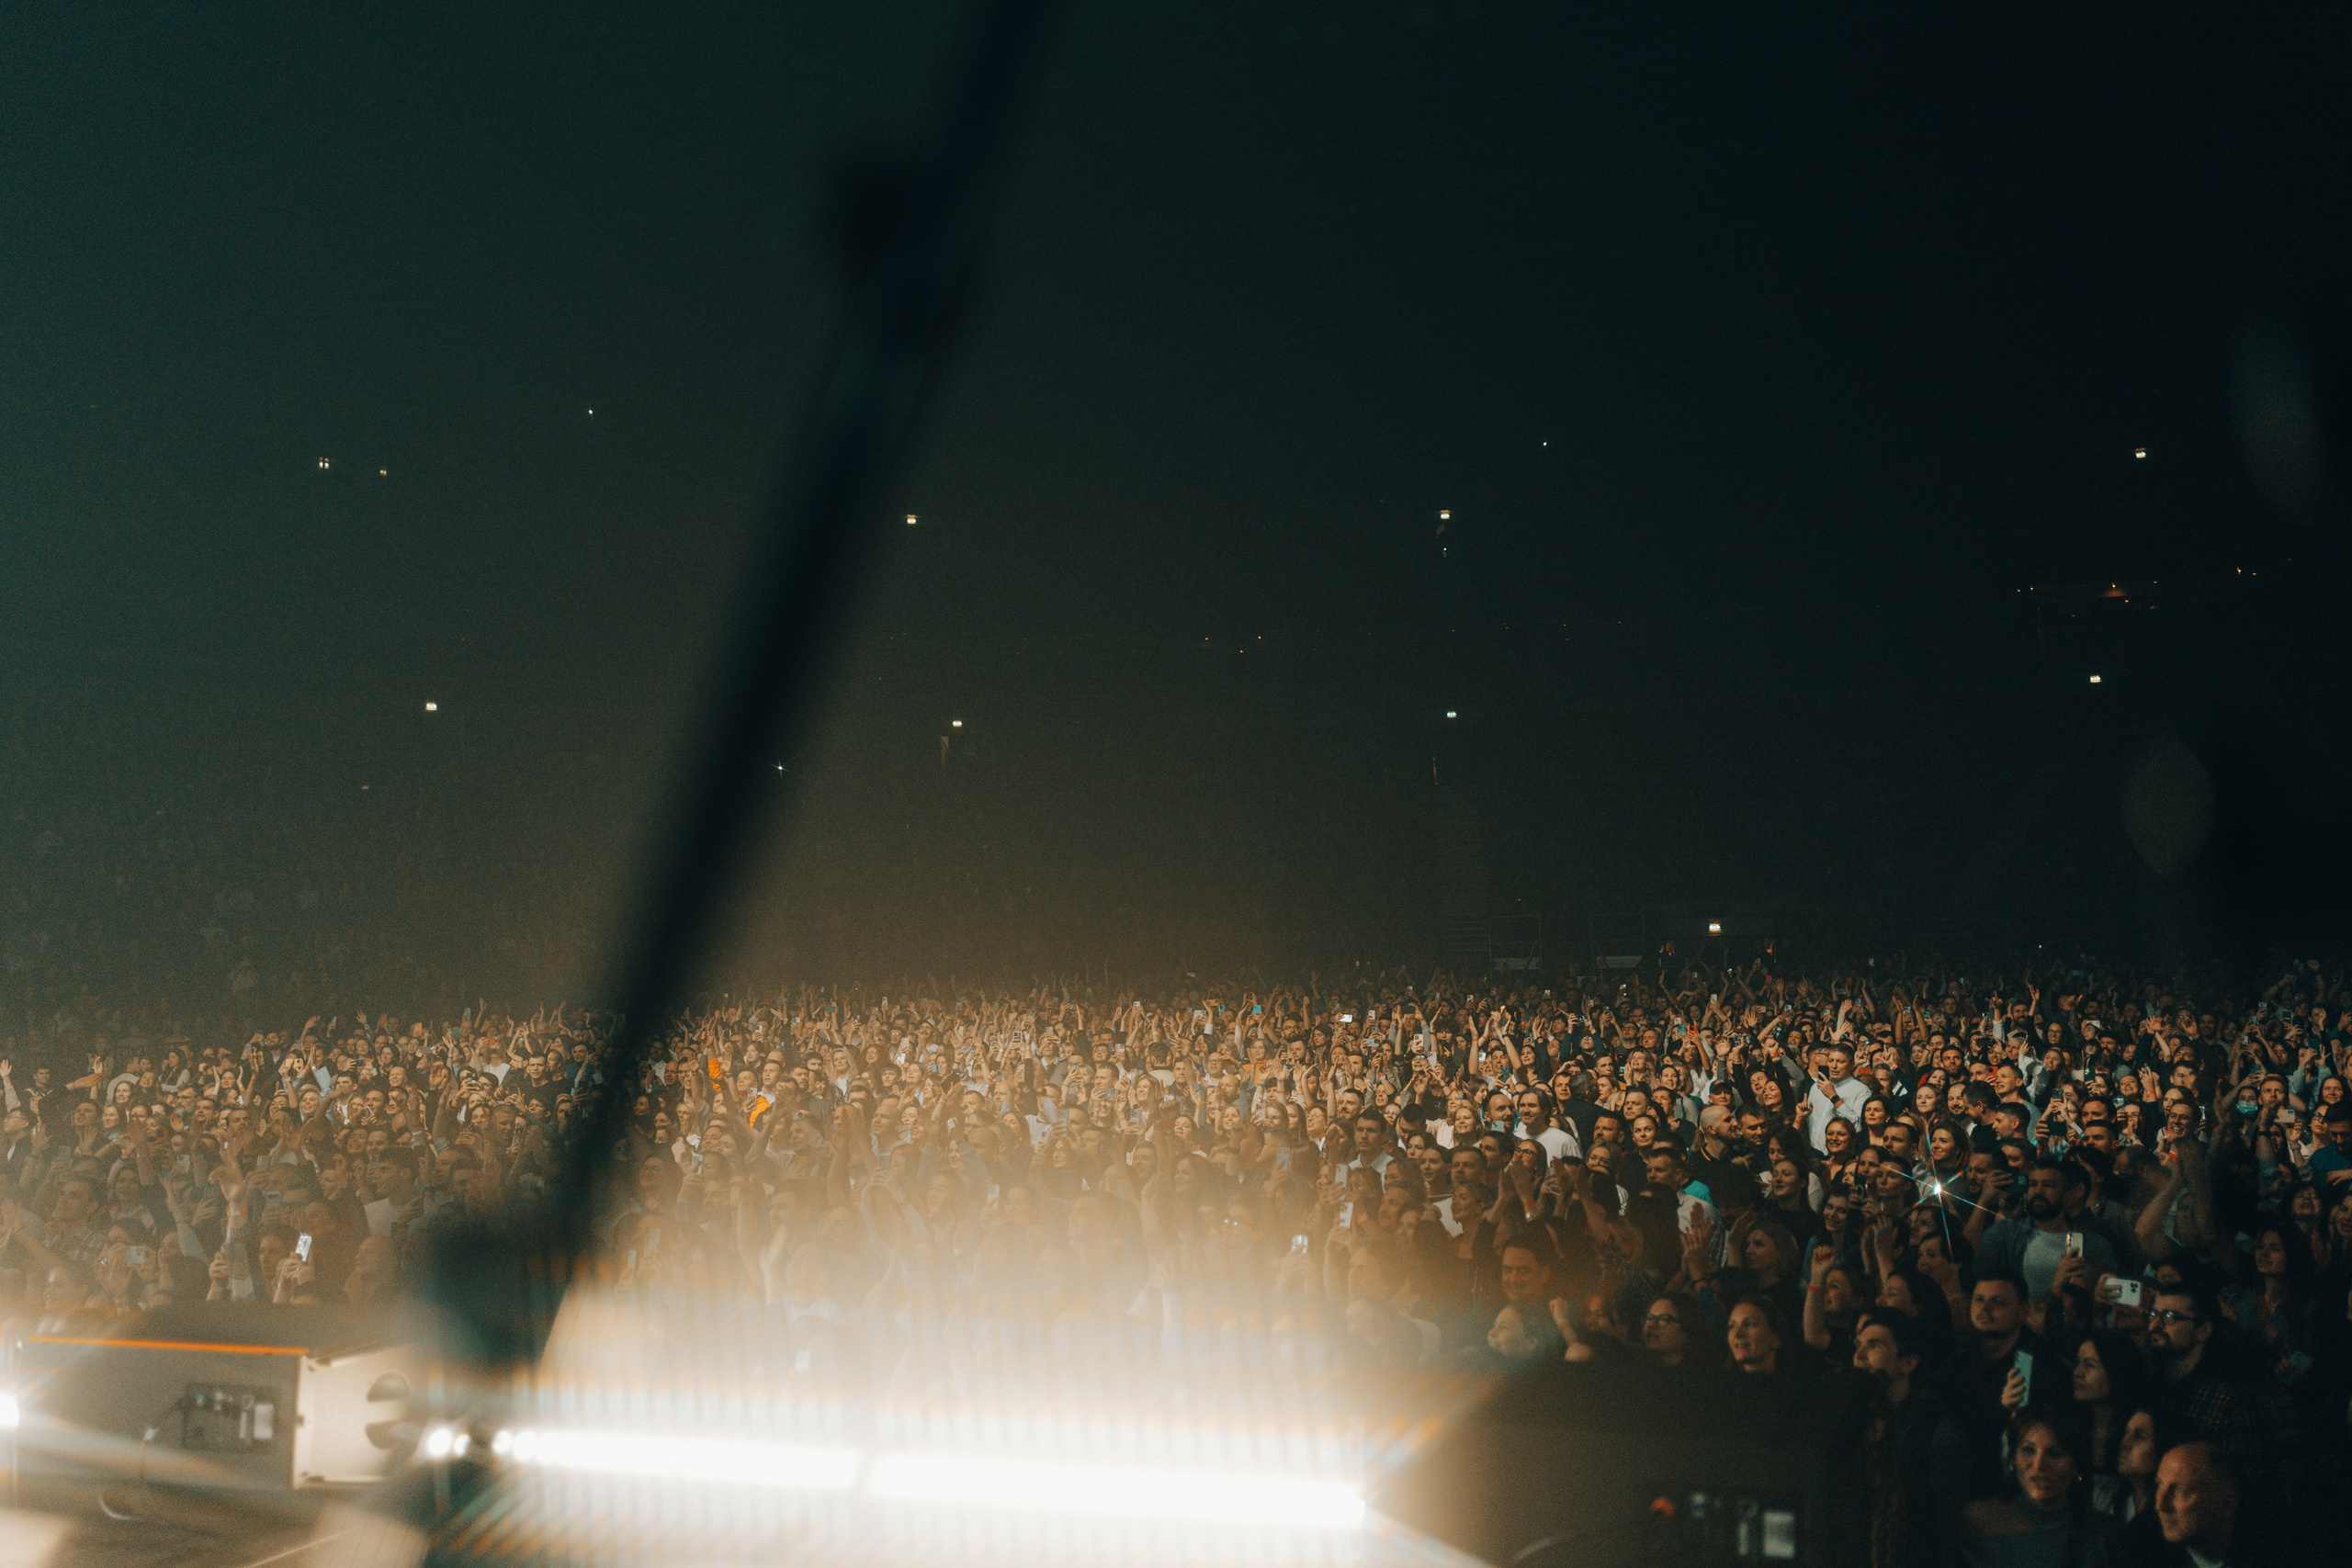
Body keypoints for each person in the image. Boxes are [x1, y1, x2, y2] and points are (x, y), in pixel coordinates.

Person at [1854, 1309, 1969, 1568]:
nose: (1859, 1357)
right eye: (1858, 1344)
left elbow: (1943, 1531)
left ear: (1907, 1363)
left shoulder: (1937, 1433)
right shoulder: (1848, 1422)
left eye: (1873, 1345)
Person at [1958, 1407, 2116, 1568]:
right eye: (2029, 1450)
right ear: (2013, 1457)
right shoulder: (1979, 1519)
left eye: (2055, 1453)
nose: (2038, 1465)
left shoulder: (2102, 1533)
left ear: (2076, 1465)